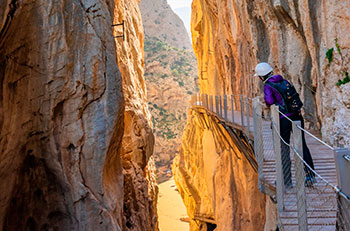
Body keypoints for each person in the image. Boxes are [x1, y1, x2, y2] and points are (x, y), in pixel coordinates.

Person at [254, 62, 316, 188]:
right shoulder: (283, 80)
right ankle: (310, 175)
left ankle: (286, 180)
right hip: (296, 116)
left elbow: (270, 101)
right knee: (302, 145)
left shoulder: (268, 85)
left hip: (283, 119)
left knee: (283, 147)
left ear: (261, 77)